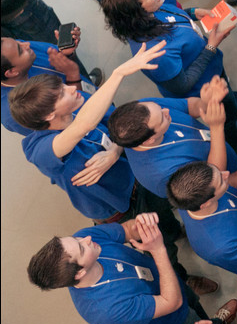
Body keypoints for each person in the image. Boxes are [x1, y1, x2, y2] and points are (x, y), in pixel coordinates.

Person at [11, 43, 162, 222]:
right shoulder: (39, 150)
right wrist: (118, 73)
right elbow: (83, 125)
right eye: (62, 94)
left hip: (135, 171)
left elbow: (120, 123)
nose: (72, 88)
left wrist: (114, 152)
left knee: (164, 215)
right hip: (120, 206)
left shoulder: (79, 104)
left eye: (63, 85)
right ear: (50, 114)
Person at [27, 212, 237, 324]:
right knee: (193, 321)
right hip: (171, 321)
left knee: (193, 304)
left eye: (76, 240)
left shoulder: (84, 237)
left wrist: (143, 224)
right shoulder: (105, 310)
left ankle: (214, 323)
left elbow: (127, 230)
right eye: (81, 248)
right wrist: (158, 249)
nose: (86, 238)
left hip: (171, 283)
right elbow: (170, 303)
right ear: (79, 274)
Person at [99, 0, 237, 145]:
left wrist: (193, 13)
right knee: (228, 122)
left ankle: (236, 104)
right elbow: (183, 85)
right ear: (139, 13)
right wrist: (211, 47)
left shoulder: (153, 9)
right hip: (204, 87)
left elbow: (173, 16)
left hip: (212, 67)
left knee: (228, 96)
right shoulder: (156, 52)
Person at [106, 76, 237, 199]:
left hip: (228, 155)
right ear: (149, 140)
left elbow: (188, 106)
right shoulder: (161, 173)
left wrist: (206, 102)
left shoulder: (147, 110)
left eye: (160, 109)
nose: (166, 111)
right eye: (162, 118)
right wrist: (217, 128)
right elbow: (215, 175)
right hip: (222, 189)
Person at [1, 34, 98, 136]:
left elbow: (56, 51)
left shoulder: (16, 50)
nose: (27, 44)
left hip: (94, 96)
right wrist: (73, 77)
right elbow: (65, 133)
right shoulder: (12, 113)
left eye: (17, 41)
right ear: (11, 72)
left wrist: (66, 52)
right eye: (20, 50)